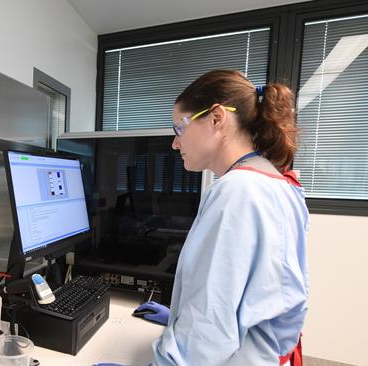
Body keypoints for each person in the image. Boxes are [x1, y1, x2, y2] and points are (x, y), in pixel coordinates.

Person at [103, 70, 309, 366]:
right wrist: (176, 317)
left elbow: (210, 329)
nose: (175, 144)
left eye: (179, 128)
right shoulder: (273, 181)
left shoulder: (236, 192)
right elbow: (249, 292)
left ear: (216, 118)